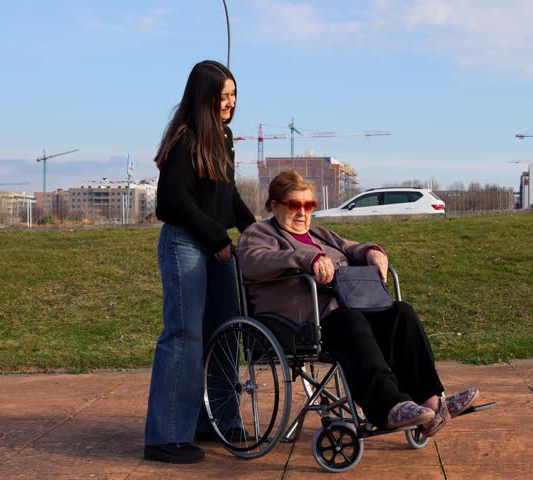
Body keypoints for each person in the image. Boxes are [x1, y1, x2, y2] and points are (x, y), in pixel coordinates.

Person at [237, 170, 478, 435]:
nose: (302, 212)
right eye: (294, 205)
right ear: (274, 205)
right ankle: (388, 407)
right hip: (297, 321)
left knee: (400, 312)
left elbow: (351, 246)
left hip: (342, 311)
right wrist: (304, 258)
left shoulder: (320, 234)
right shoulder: (259, 233)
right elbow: (253, 261)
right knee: (349, 320)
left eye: (309, 205)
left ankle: (431, 401)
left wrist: (371, 251)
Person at [144, 60, 256, 464]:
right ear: (204, 96)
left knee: (227, 332)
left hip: (218, 247)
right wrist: (215, 238)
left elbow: (227, 198)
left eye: (233, 94)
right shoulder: (185, 138)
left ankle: (216, 422)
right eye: (223, 95)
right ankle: (165, 436)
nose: (231, 103)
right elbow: (171, 203)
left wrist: (255, 231)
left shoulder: (223, 136)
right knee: (185, 336)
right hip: (186, 246)